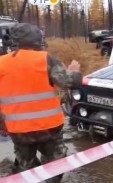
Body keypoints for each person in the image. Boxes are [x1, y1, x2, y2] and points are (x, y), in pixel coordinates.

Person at [0, 23, 82, 183]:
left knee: (25, 164)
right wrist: (74, 70)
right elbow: (71, 82)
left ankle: (26, 174)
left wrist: (2, 125)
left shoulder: (1, 63)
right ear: (38, 40)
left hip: (18, 129)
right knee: (56, 161)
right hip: (49, 127)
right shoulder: (46, 59)